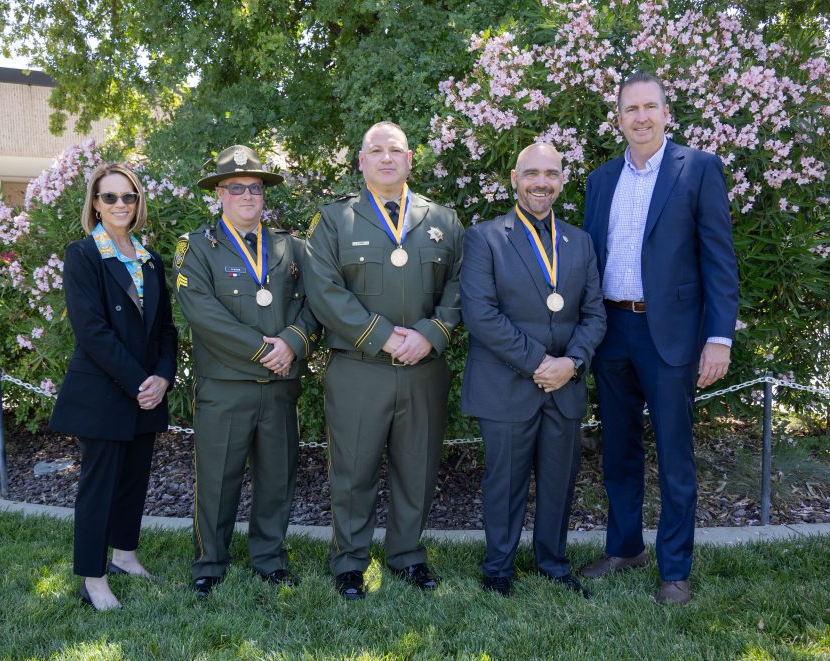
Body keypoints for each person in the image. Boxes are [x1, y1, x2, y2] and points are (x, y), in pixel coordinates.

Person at [579, 72, 739, 605]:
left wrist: (718, 338)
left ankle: (675, 570)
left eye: (650, 107)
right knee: (618, 450)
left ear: (667, 114)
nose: (641, 117)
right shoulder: (601, 180)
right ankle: (625, 548)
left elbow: (719, 261)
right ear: (619, 119)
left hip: (669, 334)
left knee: (674, 455)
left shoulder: (698, 169)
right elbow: (588, 261)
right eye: (631, 109)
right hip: (611, 331)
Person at [304, 121, 463, 599]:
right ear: (361, 161)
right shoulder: (335, 220)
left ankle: (407, 555)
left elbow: (461, 285)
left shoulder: (444, 220)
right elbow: (324, 290)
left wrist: (431, 334)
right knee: (353, 470)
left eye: (396, 150)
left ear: (410, 160)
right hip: (359, 367)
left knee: (418, 467)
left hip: (423, 368)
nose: (387, 158)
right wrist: (383, 337)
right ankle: (350, 561)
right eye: (376, 151)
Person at [174, 144, 319, 598]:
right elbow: (203, 314)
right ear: (219, 193)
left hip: (280, 385)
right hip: (225, 385)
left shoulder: (291, 247)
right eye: (236, 188)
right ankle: (210, 562)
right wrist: (262, 350)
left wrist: (293, 342)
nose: (247, 196)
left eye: (255, 188)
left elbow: (316, 303)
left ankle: (270, 559)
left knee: (277, 477)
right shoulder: (197, 247)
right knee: (217, 479)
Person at [460, 143, 605, 598]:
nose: (541, 182)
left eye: (551, 174)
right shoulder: (484, 238)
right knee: (504, 482)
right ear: (514, 178)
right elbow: (481, 315)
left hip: (564, 386)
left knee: (559, 482)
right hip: (506, 384)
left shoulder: (580, 242)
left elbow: (595, 314)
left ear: (561, 180)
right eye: (532, 173)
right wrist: (541, 364)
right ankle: (498, 569)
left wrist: (572, 363)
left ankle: (554, 564)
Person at [49, 162, 178, 611]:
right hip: (105, 392)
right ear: (96, 204)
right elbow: (92, 332)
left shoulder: (150, 259)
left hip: (147, 392)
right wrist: (141, 381)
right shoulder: (83, 255)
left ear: (138, 203)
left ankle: (124, 556)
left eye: (129, 196)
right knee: (99, 487)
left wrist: (163, 377)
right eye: (110, 197)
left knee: (134, 480)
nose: (120, 204)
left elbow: (166, 329)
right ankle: (93, 578)